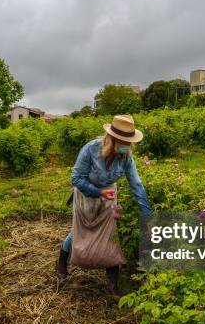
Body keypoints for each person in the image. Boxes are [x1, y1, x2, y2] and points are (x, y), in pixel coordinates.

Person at [56, 114, 152, 298]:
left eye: (128, 142)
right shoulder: (91, 149)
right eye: (123, 141)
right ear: (112, 139)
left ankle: (113, 285)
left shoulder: (125, 157)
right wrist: (98, 192)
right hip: (86, 194)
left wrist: (148, 216)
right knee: (78, 231)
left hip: (109, 196)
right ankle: (62, 262)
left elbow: (136, 185)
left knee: (110, 234)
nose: (126, 145)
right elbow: (76, 178)